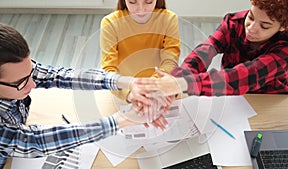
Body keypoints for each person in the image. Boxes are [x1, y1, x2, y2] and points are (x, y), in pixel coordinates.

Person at [0, 23, 168, 168]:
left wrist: (128, 83)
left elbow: (59, 75)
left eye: (31, 73)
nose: (33, 84)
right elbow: (34, 141)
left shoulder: (15, 71)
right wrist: (122, 120)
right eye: (21, 82)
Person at [135, 0, 288, 97]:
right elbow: (205, 51)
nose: (251, 28)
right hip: (230, 97)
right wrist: (177, 80)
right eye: (250, 17)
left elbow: (244, 76)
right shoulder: (234, 22)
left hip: (270, 99)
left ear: (283, 27)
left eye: (264, 26)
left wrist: (184, 83)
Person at [100, 0, 180, 101]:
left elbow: (170, 62)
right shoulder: (110, 23)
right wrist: (129, 94)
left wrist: (151, 86)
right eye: (133, 2)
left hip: (159, 87)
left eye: (148, 2)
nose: (141, 10)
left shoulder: (169, 19)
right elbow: (108, 70)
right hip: (123, 89)